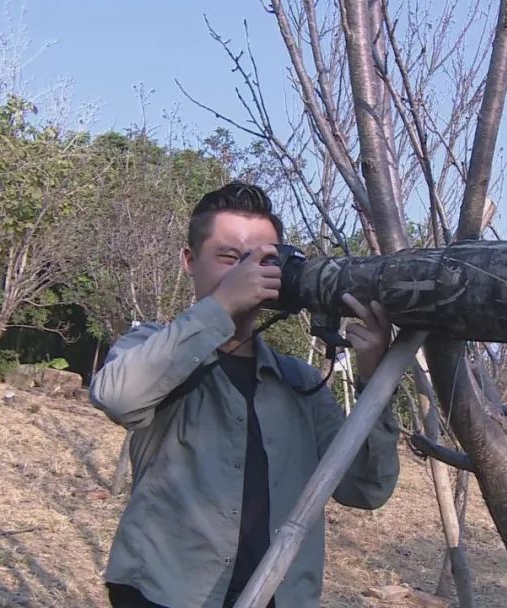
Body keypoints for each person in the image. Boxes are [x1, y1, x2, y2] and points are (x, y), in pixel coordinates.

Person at [89, 181, 401, 608]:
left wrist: (375, 376)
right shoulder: (148, 347)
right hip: (163, 593)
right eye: (229, 257)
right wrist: (220, 307)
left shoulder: (301, 383)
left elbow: (366, 489)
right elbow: (117, 397)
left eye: (264, 260)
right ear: (188, 260)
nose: (248, 272)